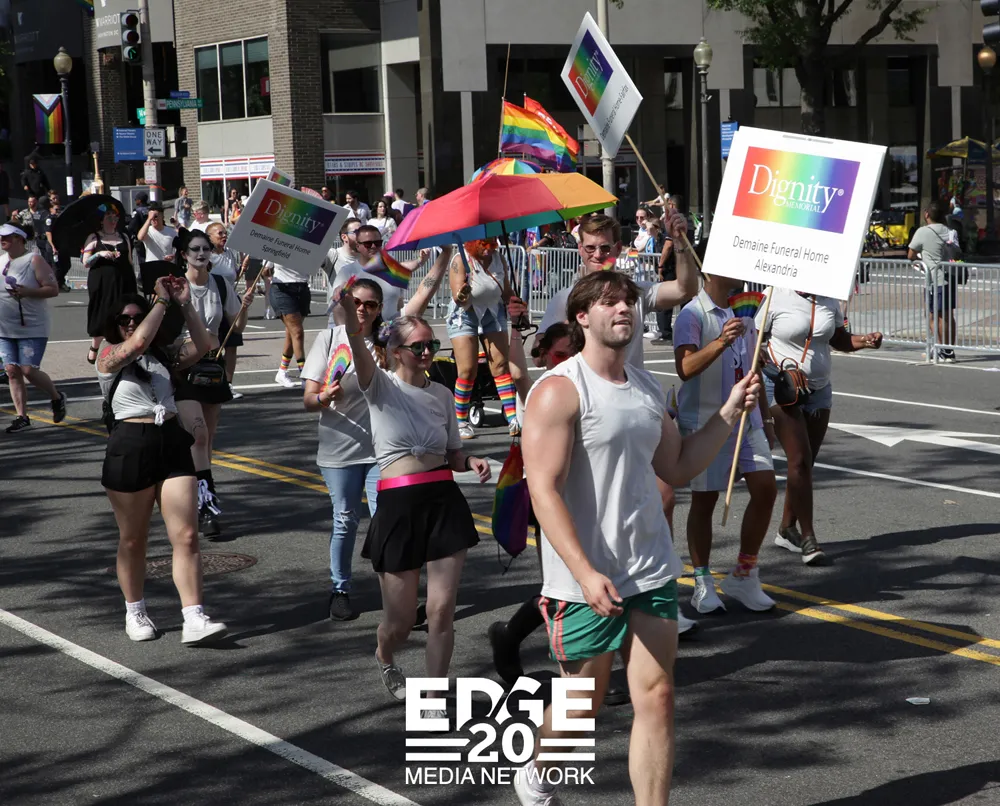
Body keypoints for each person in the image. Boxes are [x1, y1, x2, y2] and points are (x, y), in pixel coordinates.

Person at [516, 271, 761, 806]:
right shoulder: (559, 390)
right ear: (582, 317)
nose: (623, 308)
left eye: (628, 300)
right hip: (584, 579)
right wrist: (585, 572)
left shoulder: (647, 388)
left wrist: (728, 412)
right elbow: (543, 491)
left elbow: (677, 466)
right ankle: (536, 771)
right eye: (609, 302)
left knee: (659, 695)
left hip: (649, 567)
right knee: (584, 702)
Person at [533, 211, 700, 637]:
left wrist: (680, 240)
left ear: (619, 248)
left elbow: (685, 288)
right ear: (579, 249)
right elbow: (548, 353)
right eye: (590, 248)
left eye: (605, 248)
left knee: (662, 495)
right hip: (586, 416)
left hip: (636, 406)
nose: (597, 255)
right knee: (581, 513)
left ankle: (656, 584)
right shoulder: (564, 299)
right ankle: (566, 597)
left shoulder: (630, 292)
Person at [334, 292, 490, 704]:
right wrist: (352, 319)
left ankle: (433, 697)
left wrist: (470, 460)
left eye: (431, 345)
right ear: (395, 351)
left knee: (440, 610)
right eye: (418, 346)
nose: (426, 352)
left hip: (443, 502)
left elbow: (452, 453)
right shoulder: (379, 385)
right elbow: (357, 343)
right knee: (401, 623)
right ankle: (385, 653)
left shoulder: (442, 394)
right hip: (399, 507)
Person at [301, 249, 453, 621]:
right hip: (339, 448)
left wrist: (444, 258)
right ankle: (340, 589)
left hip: (384, 453)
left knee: (389, 519)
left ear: (379, 308)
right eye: (357, 303)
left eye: (370, 304)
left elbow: (422, 297)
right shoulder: (329, 339)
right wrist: (324, 397)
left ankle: (400, 601)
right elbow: (308, 399)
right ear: (346, 304)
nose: (363, 310)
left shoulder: (389, 338)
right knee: (345, 519)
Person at [96, 278, 228, 645]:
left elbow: (205, 344)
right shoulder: (108, 356)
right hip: (130, 445)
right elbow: (137, 343)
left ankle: (194, 616)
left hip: (170, 441)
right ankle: (135, 610)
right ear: (114, 324)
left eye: (136, 317)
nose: (131, 324)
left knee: (186, 535)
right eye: (124, 319)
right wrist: (160, 301)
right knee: (133, 539)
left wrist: (184, 303)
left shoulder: (164, 355)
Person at [674, 271, 777, 614]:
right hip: (708, 421)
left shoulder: (744, 310)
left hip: (748, 420)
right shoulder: (692, 314)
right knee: (705, 501)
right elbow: (685, 367)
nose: (741, 270)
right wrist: (720, 341)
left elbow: (752, 369)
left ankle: (744, 574)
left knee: (766, 488)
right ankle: (702, 581)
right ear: (710, 270)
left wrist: (767, 417)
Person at [759, 288, 883, 566]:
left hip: (819, 390)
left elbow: (838, 338)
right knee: (799, 460)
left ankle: (787, 528)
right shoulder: (774, 294)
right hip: (781, 387)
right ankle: (808, 538)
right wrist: (770, 364)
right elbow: (753, 342)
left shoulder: (828, 299)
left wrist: (865, 340)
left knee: (805, 463)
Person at [488, 307, 575, 685]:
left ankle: (510, 636)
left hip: (591, 499)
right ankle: (512, 638)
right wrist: (512, 325)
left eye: (574, 353)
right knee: (562, 585)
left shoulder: (591, 385)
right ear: (545, 357)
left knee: (590, 582)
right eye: (559, 354)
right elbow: (518, 372)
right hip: (550, 501)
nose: (567, 361)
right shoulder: (541, 392)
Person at [173, 230, 253, 538]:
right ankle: (207, 506)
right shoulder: (176, 284)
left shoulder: (220, 284)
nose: (201, 253)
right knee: (198, 435)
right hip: (183, 367)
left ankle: (197, 494)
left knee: (206, 441)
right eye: (195, 249)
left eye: (206, 248)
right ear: (184, 254)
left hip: (212, 366)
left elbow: (236, 327)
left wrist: (245, 305)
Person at [447, 239, 520, 439]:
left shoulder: (499, 259)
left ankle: (513, 419)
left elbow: (506, 291)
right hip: (464, 315)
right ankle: (460, 421)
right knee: (468, 370)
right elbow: (457, 298)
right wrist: (462, 293)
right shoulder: (460, 260)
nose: (488, 249)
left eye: (491, 244)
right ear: (473, 243)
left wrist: (516, 303)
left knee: (501, 366)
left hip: (492, 313)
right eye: (483, 245)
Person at [0, 223, 66, 433]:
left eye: (7, 236)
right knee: (12, 371)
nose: (2, 240)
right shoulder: (1, 261)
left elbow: (53, 289)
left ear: (19, 238)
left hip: (32, 326)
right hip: (5, 328)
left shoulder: (34, 260)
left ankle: (56, 397)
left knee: (28, 370)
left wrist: (28, 292)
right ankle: (22, 416)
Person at [331, 225, 429, 324]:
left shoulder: (393, 271)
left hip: (390, 331)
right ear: (358, 246)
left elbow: (399, 304)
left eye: (378, 243)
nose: (373, 246)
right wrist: (344, 331)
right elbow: (337, 307)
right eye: (368, 244)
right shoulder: (347, 271)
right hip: (359, 332)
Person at [83, 205, 136, 365]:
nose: (113, 220)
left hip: (123, 279)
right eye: (109, 217)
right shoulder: (94, 238)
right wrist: (99, 254)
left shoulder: (124, 236)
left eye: (115, 217)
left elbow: (130, 261)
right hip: (102, 282)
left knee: (124, 312)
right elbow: (85, 262)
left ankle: (122, 346)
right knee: (102, 312)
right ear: (101, 220)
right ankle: (95, 346)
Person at [908, 201, 958, 363]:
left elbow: (911, 254)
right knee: (948, 315)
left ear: (927, 214)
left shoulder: (923, 231)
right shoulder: (951, 231)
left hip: (934, 279)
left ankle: (943, 349)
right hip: (950, 276)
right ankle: (947, 349)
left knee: (934, 316)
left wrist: (920, 259)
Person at [207, 222, 250, 397]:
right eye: (220, 233)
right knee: (213, 345)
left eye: (225, 233)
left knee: (232, 345)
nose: (224, 236)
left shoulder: (229, 253)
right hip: (213, 304)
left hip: (230, 303)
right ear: (209, 236)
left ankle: (229, 384)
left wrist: (242, 269)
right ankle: (211, 380)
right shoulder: (206, 256)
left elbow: (232, 277)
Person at [262, 253, 312, 388]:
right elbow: (265, 270)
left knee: (292, 334)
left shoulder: (308, 246)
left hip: (302, 288)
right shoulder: (277, 244)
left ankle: (282, 371)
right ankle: (304, 375)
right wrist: (266, 271)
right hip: (282, 289)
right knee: (297, 332)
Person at [653, 195, 693, 345]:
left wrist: (660, 265)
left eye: (668, 204)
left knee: (666, 301)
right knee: (685, 301)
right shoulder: (687, 221)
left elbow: (668, 245)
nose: (666, 206)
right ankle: (686, 331)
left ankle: (666, 334)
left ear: (672, 205)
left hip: (672, 266)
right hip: (682, 265)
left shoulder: (675, 221)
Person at [44, 200, 71, 291]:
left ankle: (60, 282)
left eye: (59, 209)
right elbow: (48, 233)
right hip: (53, 245)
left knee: (67, 264)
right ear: (51, 209)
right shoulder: (49, 219)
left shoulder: (61, 219)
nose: (58, 211)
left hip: (62, 245)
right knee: (56, 267)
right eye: (56, 209)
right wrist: (53, 246)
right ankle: (55, 285)